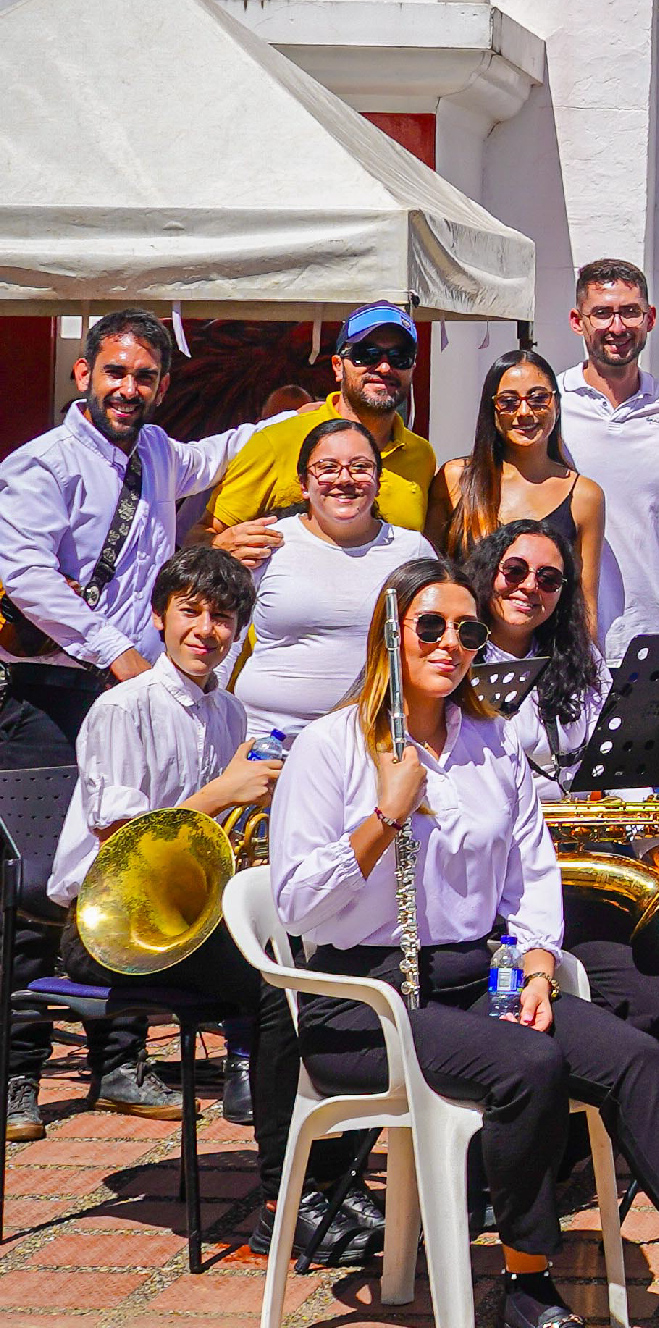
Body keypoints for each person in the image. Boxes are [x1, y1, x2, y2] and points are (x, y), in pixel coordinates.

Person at [269, 556, 659, 1328]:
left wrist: (535, 964)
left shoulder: (488, 743)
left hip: (466, 982)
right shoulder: (328, 746)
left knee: (630, 1055)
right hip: (362, 1004)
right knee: (529, 1065)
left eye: (468, 630)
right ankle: (525, 1282)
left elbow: (531, 873)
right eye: (431, 627)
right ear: (389, 633)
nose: (452, 644)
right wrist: (385, 815)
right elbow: (299, 908)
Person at [0, 309, 259, 1134]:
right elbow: (26, 574)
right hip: (47, 693)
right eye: (114, 373)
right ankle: (17, 1078)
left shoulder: (156, 452)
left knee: (139, 871)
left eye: (144, 377)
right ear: (83, 375)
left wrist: (317, 413)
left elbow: (226, 451)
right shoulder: (38, 465)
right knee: (37, 889)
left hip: (133, 688)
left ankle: (121, 1064)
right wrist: (118, 651)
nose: (128, 389)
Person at [42, 549, 313, 1253]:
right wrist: (221, 794)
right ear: (160, 618)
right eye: (190, 611)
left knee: (311, 955)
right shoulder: (121, 707)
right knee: (273, 987)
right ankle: (288, 1191)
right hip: (106, 927)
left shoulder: (229, 711)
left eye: (222, 616)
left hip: (185, 920)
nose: (206, 630)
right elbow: (124, 839)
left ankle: (297, 1152)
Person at [465, 520, 659, 1066]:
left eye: (549, 579)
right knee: (604, 1009)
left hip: (580, 862)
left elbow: (617, 772)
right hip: (503, 881)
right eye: (515, 571)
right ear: (486, 575)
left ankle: (611, 1138)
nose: (529, 587)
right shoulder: (454, 658)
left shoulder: (582, 661)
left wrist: (653, 847)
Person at [233, 419, 440, 736]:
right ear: (304, 483)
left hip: (369, 739)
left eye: (360, 467)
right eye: (327, 468)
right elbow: (226, 638)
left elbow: (433, 643)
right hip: (266, 739)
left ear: (378, 480)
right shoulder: (267, 543)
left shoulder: (411, 550)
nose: (345, 479)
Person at [555, 260, 659, 648]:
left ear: (650, 318)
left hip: (647, 642)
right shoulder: (549, 406)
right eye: (602, 313)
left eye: (630, 312)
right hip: (563, 643)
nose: (617, 327)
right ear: (578, 321)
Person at [205, 302, 435, 541]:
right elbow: (203, 534)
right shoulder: (277, 441)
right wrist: (220, 546)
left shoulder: (421, 455)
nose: (385, 367)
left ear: (412, 369)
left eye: (401, 357)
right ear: (338, 367)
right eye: (367, 355)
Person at [426, 348, 609, 634]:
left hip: (546, 661)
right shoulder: (455, 480)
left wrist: (589, 673)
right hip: (464, 657)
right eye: (509, 402)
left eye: (538, 399)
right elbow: (430, 581)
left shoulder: (585, 496)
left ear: (556, 405)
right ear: (492, 410)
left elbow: (584, 606)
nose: (524, 413)